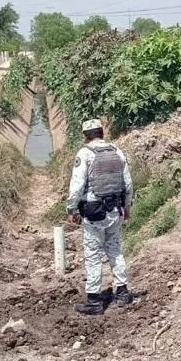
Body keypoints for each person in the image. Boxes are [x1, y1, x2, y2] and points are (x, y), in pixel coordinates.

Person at [67, 119, 134, 315]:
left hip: (94, 212)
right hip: (116, 211)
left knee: (93, 255)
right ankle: (122, 293)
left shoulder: (85, 154)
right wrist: (127, 207)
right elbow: (128, 184)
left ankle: (94, 301)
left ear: (86, 136)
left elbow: (77, 186)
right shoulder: (117, 151)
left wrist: (71, 209)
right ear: (102, 133)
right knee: (115, 249)